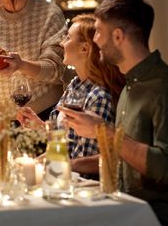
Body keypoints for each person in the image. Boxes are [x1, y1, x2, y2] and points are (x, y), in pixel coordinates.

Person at [59, 0, 168, 226]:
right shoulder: (130, 86)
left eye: (99, 32)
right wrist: (73, 164)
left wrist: (105, 131)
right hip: (125, 205)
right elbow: (126, 156)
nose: (95, 40)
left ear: (118, 36)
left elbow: (167, 169)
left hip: (157, 216)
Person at [17, 14, 125, 176]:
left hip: (84, 187)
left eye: (67, 38)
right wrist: (39, 126)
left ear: (84, 49)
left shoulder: (99, 96)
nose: (61, 43)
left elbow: (84, 159)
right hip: (64, 177)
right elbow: (66, 144)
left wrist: (49, 164)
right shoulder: (74, 85)